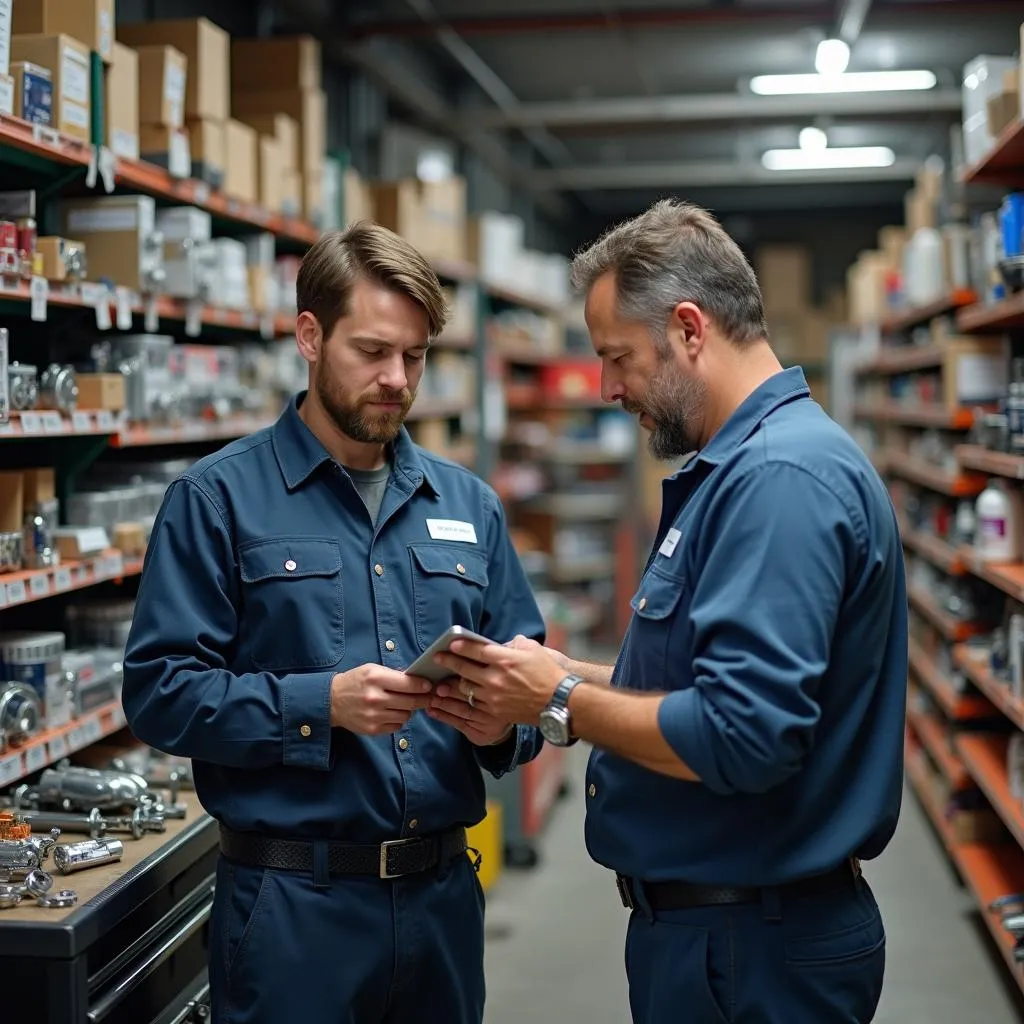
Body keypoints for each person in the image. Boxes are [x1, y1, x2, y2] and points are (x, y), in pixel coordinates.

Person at [432, 199, 907, 1024]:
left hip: (752, 952)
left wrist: (559, 700)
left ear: (690, 328)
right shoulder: (739, 471)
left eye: (619, 357)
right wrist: (545, 676)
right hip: (727, 934)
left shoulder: (778, 482)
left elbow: (744, 734)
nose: (609, 387)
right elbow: (696, 679)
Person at [121, 222, 546, 1024]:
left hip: (442, 902)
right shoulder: (217, 500)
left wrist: (499, 721)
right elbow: (160, 693)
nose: (396, 379)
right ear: (309, 337)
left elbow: (529, 689)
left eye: (415, 357)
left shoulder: (467, 506)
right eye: (373, 351)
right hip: (293, 913)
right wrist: (321, 706)